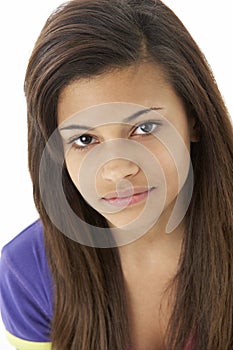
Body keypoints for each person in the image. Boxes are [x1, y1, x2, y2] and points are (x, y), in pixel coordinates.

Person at [0, 0, 232, 349]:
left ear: (194, 118)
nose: (117, 168)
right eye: (84, 139)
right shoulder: (27, 272)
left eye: (144, 127)